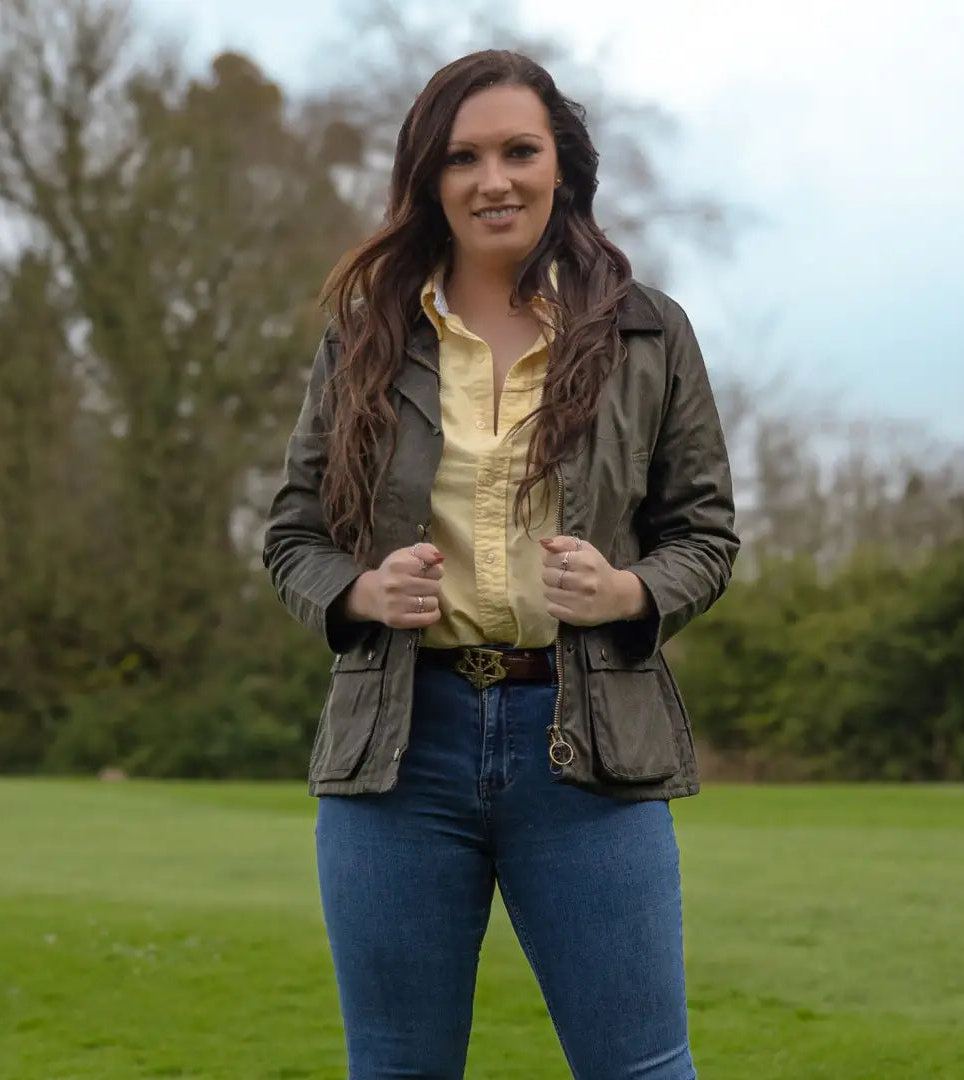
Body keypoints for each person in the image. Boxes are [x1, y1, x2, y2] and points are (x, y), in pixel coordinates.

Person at [262, 49, 738, 1080]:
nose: (494, 180)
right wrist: (358, 591)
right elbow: (293, 535)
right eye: (463, 157)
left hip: (591, 747)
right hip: (397, 752)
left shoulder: (649, 334)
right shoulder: (363, 337)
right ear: (429, 180)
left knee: (642, 1067)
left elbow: (706, 535)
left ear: (561, 163)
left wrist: (628, 591)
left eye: (520, 151)